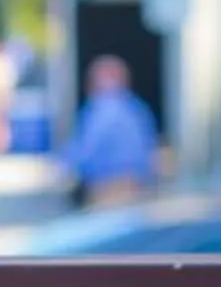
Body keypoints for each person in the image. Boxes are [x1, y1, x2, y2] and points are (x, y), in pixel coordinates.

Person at [64, 55, 161, 207]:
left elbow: (86, 150)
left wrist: (64, 167)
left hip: (107, 187)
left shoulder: (101, 108)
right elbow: (150, 147)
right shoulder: (137, 108)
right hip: (137, 186)